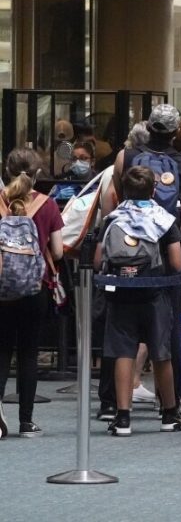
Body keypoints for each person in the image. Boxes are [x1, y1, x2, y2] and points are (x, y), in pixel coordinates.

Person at [104, 104, 181, 426]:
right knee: (164, 342)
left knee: (121, 345)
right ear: (176, 131)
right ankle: (171, 408)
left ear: (148, 126)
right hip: (160, 273)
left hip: (121, 278)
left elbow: (115, 192)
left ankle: (117, 409)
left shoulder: (126, 156)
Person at [97, 166, 181, 436]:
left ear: (123, 191)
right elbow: (177, 263)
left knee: (123, 352)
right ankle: (169, 413)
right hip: (155, 294)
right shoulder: (165, 219)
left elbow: (98, 260)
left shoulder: (112, 219)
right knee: (161, 352)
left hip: (121, 295)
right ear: (154, 190)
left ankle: (123, 416)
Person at [0, 148, 64, 439]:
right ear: (37, 174)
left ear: (6, 171)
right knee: (28, 352)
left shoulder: (0, 203)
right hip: (36, 286)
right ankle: (26, 421)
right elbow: (59, 251)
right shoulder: (48, 205)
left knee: (2, 351)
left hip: (2, 288)